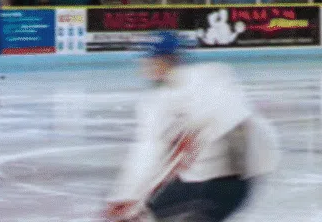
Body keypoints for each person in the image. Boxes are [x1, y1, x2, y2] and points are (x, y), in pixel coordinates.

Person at [103, 31, 279, 222]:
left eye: (147, 59)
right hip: (227, 179)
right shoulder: (214, 74)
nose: (143, 65)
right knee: (152, 213)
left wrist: (125, 196)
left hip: (221, 184)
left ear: (163, 60)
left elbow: (150, 153)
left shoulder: (162, 101)